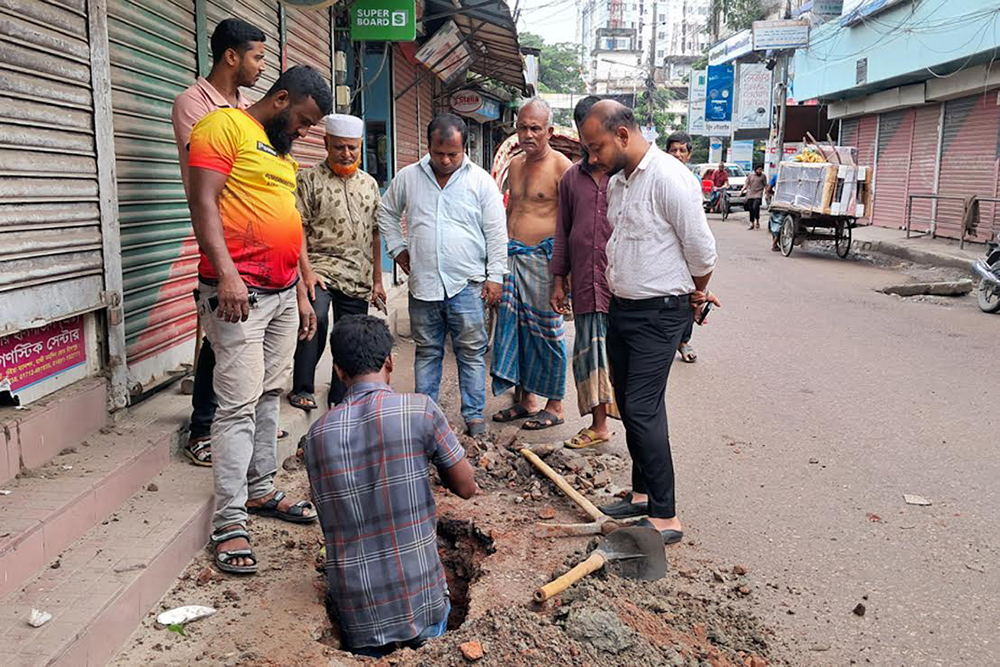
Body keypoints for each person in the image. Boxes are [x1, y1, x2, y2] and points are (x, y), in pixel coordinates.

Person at [187, 65, 332, 574]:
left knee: (270, 394)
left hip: (283, 293)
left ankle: (261, 488)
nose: (305, 131)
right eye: (305, 120)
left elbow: (287, 221)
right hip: (237, 295)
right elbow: (202, 202)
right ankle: (228, 519)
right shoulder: (220, 128)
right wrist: (225, 274)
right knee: (236, 407)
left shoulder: (279, 153)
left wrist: (303, 291)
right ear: (282, 98)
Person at [579, 100, 719, 544]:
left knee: (641, 407)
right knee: (630, 403)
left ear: (622, 135)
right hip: (624, 307)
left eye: (596, 147)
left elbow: (701, 249)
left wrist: (694, 292)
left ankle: (666, 516)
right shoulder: (620, 182)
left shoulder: (669, 177)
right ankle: (641, 496)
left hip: (660, 312)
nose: (592, 158)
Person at [305, 315, 477, 657]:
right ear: (390, 362)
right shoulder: (419, 410)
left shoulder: (316, 435)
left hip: (358, 611)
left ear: (339, 371)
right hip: (422, 600)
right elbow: (466, 487)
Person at [172, 17, 266, 467]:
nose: (261, 67)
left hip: (253, 236)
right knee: (217, 331)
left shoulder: (245, 106)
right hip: (220, 233)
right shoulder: (194, 105)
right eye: (258, 57)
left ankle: (241, 414)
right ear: (232, 56)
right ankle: (201, 426)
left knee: (242, 328)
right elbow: (207, 179)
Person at [379, 114, 506, 437]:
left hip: (467, 284)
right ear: (429, 146)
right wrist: (397, 249)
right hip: (424, 286)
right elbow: (387, 212)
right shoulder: (408, 178)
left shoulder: (480, 181)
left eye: (453, 154)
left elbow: (496, 231)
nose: (446, 160)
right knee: (428, 351)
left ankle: (475, 416)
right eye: (440, 153)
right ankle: (427, 417)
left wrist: (495, 277)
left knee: (471, 353)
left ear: (465, 148)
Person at [289, 114, 385, 411]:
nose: (346, 154)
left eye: (352, 148)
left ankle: (341, 396)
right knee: (315, 318)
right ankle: (302, 387)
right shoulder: (308, 180)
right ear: (326, 143)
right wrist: (306, 273)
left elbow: (375, 233)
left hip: (358, 272)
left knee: (351, 334)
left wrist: (378, 279)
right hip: (320, 269)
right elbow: (297, 229)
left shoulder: (369, 185)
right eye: (340, 147)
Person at [491, 98, 572, 431]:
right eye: (522, 127)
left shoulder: (562, 167)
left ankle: (556, 405)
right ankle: (527, 401)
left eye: (535, 128)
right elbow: (512, 210)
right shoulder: (516, 164)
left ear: (549, 131)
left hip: (543, 260)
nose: (527, 134)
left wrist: (562, 277)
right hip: (512, 257)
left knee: (548, 333)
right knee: (517, 331)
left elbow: (570, 224)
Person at [550, 96, 618, 449]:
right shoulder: (571, 179)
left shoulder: (625, 174)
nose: (592, 152)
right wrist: (558, 280)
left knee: (620, 356)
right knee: (589, 356)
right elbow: (563, 231)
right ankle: (599, 424)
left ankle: (632, 422)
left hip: (621, 284)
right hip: (585, 282)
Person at [666, 132, 699, 364]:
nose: (677, 154)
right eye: (673, 150)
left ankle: (683, 340)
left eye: (682, 151)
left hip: (686, 246)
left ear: (689, 155)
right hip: (664, 249)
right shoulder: (659, 177)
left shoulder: (692, 182)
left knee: (690, 294)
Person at [742, 164, 767, 230]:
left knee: (755, 207)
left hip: (758, 193)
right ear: (755, 170)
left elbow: (765, 185)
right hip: (751, 194)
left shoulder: (763, 176)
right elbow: (746, 184)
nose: (760, 171)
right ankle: (752, 223)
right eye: (758, 169)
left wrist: (767, 193)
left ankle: (757, 220)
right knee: (751, 209)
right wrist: (742, 191)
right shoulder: (750, 176)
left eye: (761, 170)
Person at [767, 172, 781, 251]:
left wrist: (774, 194)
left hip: (777, 201)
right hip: (793, 202)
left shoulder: (776, 175)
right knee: (780, 221)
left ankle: (774, 242)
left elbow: (768, 189)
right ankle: (775, 243)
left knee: (775, 221)